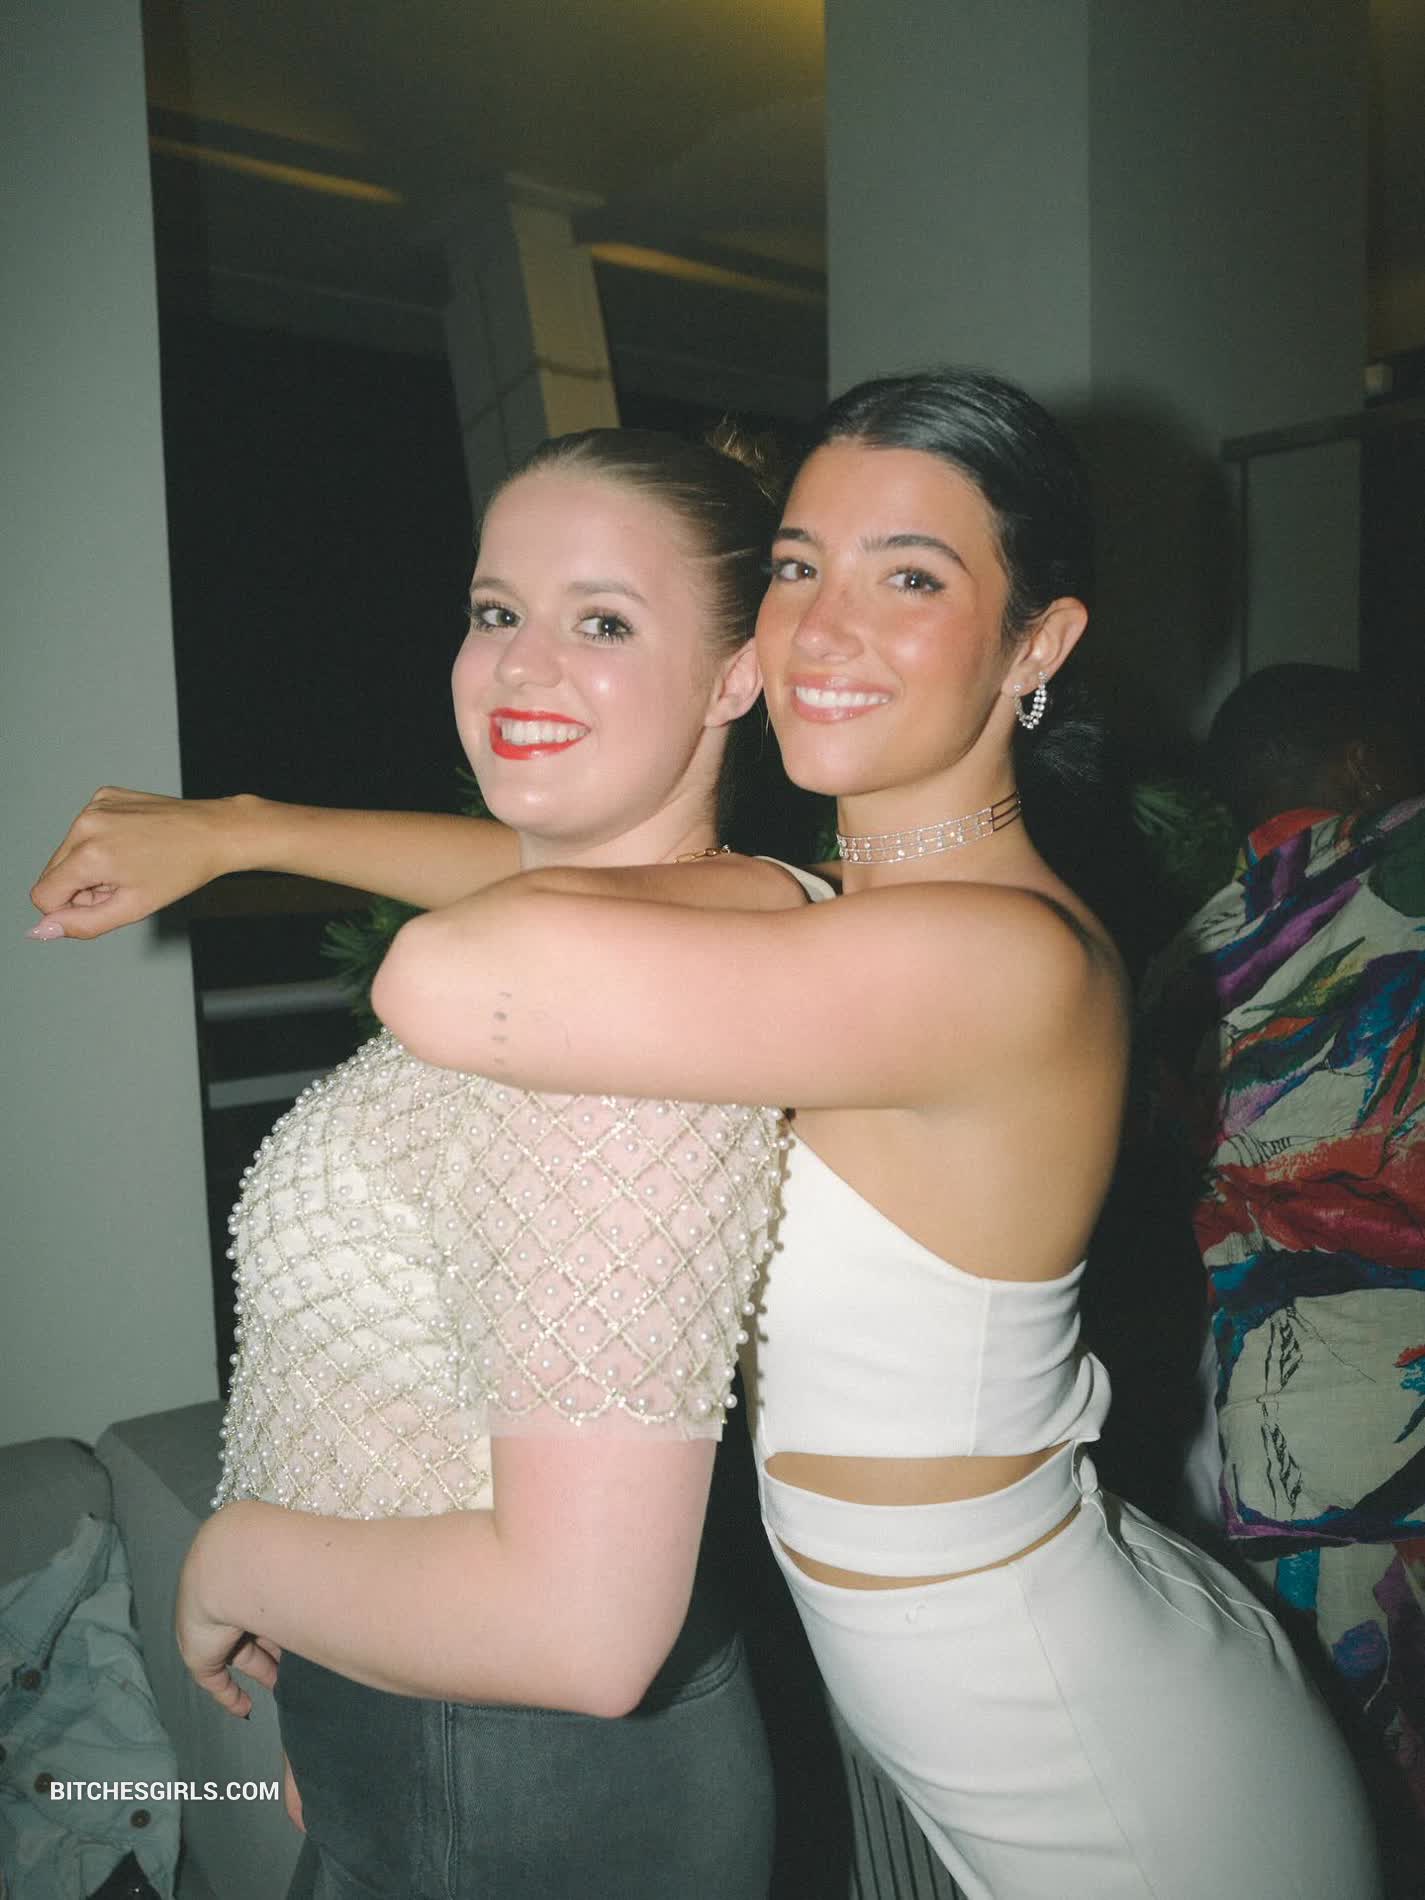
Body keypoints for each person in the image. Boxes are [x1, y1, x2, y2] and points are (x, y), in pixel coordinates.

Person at [354, 372, 1383, 1898]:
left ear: (1037, 645)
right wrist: (237, 828)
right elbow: (565, 877)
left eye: (908, 578)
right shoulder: (868, 917)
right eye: (794, 567)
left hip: (1097, 1748)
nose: (820, 630)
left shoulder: (995, 962)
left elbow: (451, 972)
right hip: (1006, 1670)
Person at [30, 427, 827, 1899]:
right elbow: (536, 882)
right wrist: (237, 831)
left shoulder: (611, 1027)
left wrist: (236, 1561)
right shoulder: (652, 926)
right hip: (433, 1728)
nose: (522, 665)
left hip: (523, 1774)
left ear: (736, 677)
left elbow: (585, 1631)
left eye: (603, 622)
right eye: (495, 609)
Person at [1142, 662, 1425, 1879]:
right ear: (1358, 764)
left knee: (1348, 1797)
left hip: (1275, 1448)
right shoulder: (1409, 864)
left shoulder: (1174, 967)